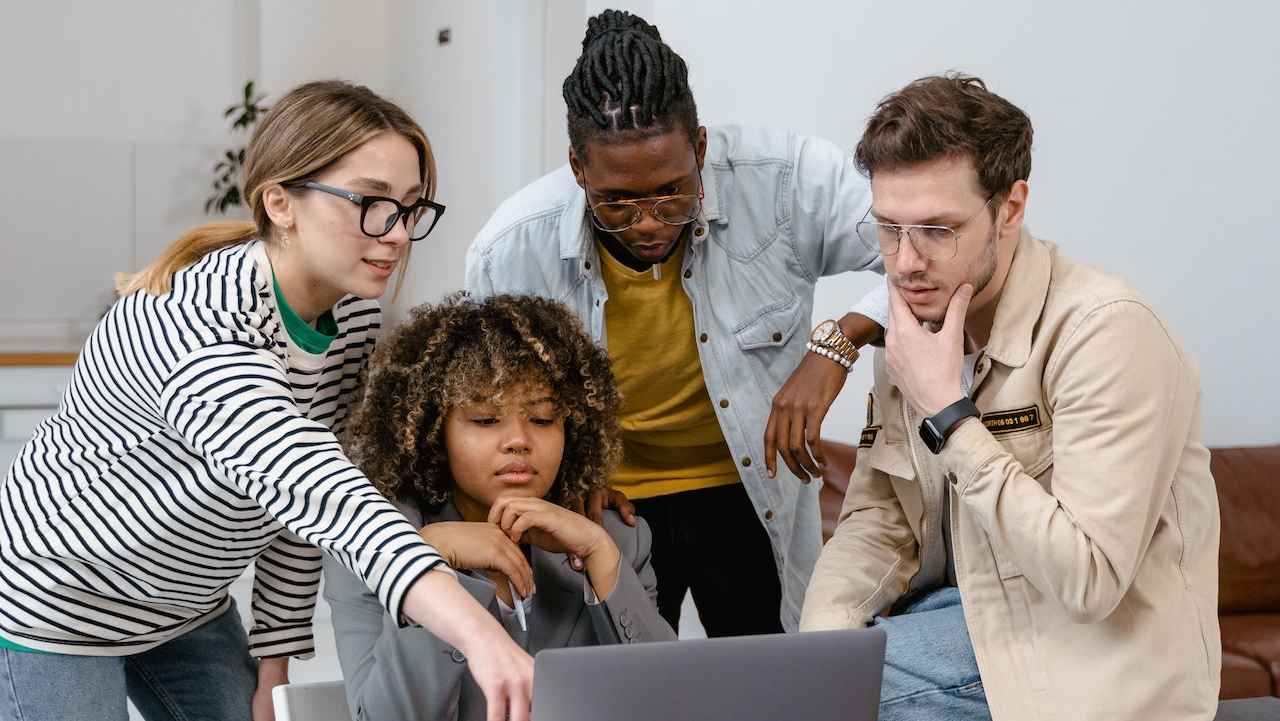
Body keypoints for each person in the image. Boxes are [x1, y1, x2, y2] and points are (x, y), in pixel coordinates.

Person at [0, 80, 532, 721]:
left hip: (184, 606)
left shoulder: (351, 316)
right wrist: (479, 634)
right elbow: (320, 490)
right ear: (281, 204)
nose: (395, 233)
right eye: (371, 202)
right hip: (58, 602)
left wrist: (272, 660)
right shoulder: (200, 327)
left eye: (410, 207)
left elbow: (295, 513)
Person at [799, 73, 1220, 720]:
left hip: (1093, 657)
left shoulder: (1106, 329)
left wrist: (949, 413)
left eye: (939, 229)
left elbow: (1089, 581)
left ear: (1011, 208)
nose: (905, 262)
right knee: (801, 682)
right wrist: (819, 651)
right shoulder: (916, 322)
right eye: (889, 228)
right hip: (968, 614)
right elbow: (878, 519)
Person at [465, 8, 887, 636]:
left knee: (769, 684)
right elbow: (490, 405)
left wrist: (839, 342)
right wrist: (567, 479)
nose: (648, 222)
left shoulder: (788, 180)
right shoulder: (510, 249)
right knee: (626, 688)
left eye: (672, 190)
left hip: (753, 491)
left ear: (701, 148)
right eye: (616, 200)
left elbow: (930, 252)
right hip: (613, 506)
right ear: (579, 170)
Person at [323, 292, 677, 720]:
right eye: (486, 420)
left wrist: (599, 554)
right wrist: (429, 561)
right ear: (435, 439)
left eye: (543, 419)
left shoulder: (617, 536)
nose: (518, 440)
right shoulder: (370, 544)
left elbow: (669, 704)